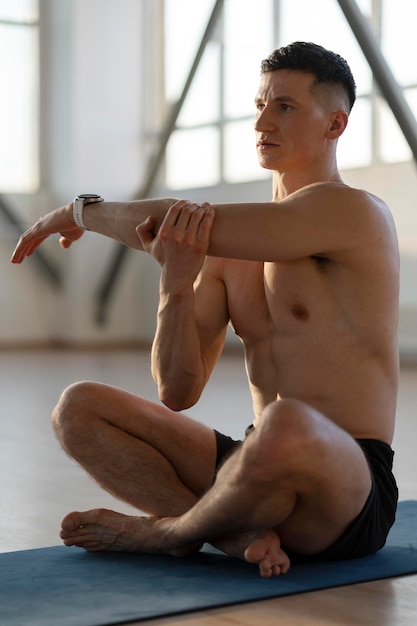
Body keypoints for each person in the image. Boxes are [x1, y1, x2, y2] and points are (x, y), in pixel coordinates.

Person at [11, 42, 399, 578]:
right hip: (256, 465)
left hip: (345, 489)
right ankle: (233, 535)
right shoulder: (225, 251)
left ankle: (168, 531)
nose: (262, 120)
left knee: (289, 422)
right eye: (260, 104)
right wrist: (175, 281)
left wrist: (78, 212)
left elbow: (175, 218)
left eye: (284, 106)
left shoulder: (354, 212)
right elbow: (177, 391)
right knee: (77, 408)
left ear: (335, 124)